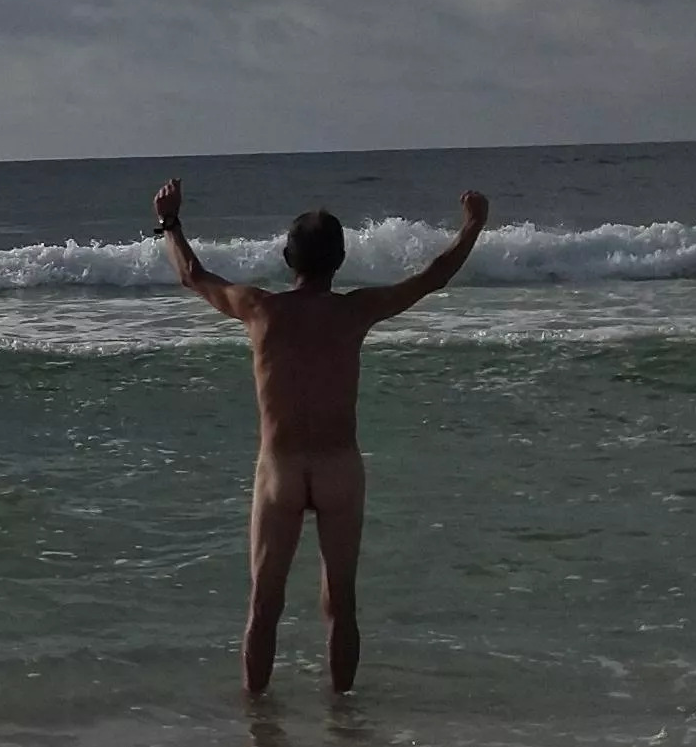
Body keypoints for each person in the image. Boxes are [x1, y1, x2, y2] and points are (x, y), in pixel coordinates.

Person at [150, 177, 490, 696]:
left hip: (280, 470)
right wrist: (473, 226)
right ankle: (343, 718)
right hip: (338, 468)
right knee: (342, 602)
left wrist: (171, 222)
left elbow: (193, 276)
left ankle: (258, 726)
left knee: (265, 604)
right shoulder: (354, 311)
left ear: (288, 257)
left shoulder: (260, 310)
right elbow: (432, 277)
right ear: (340, 260)